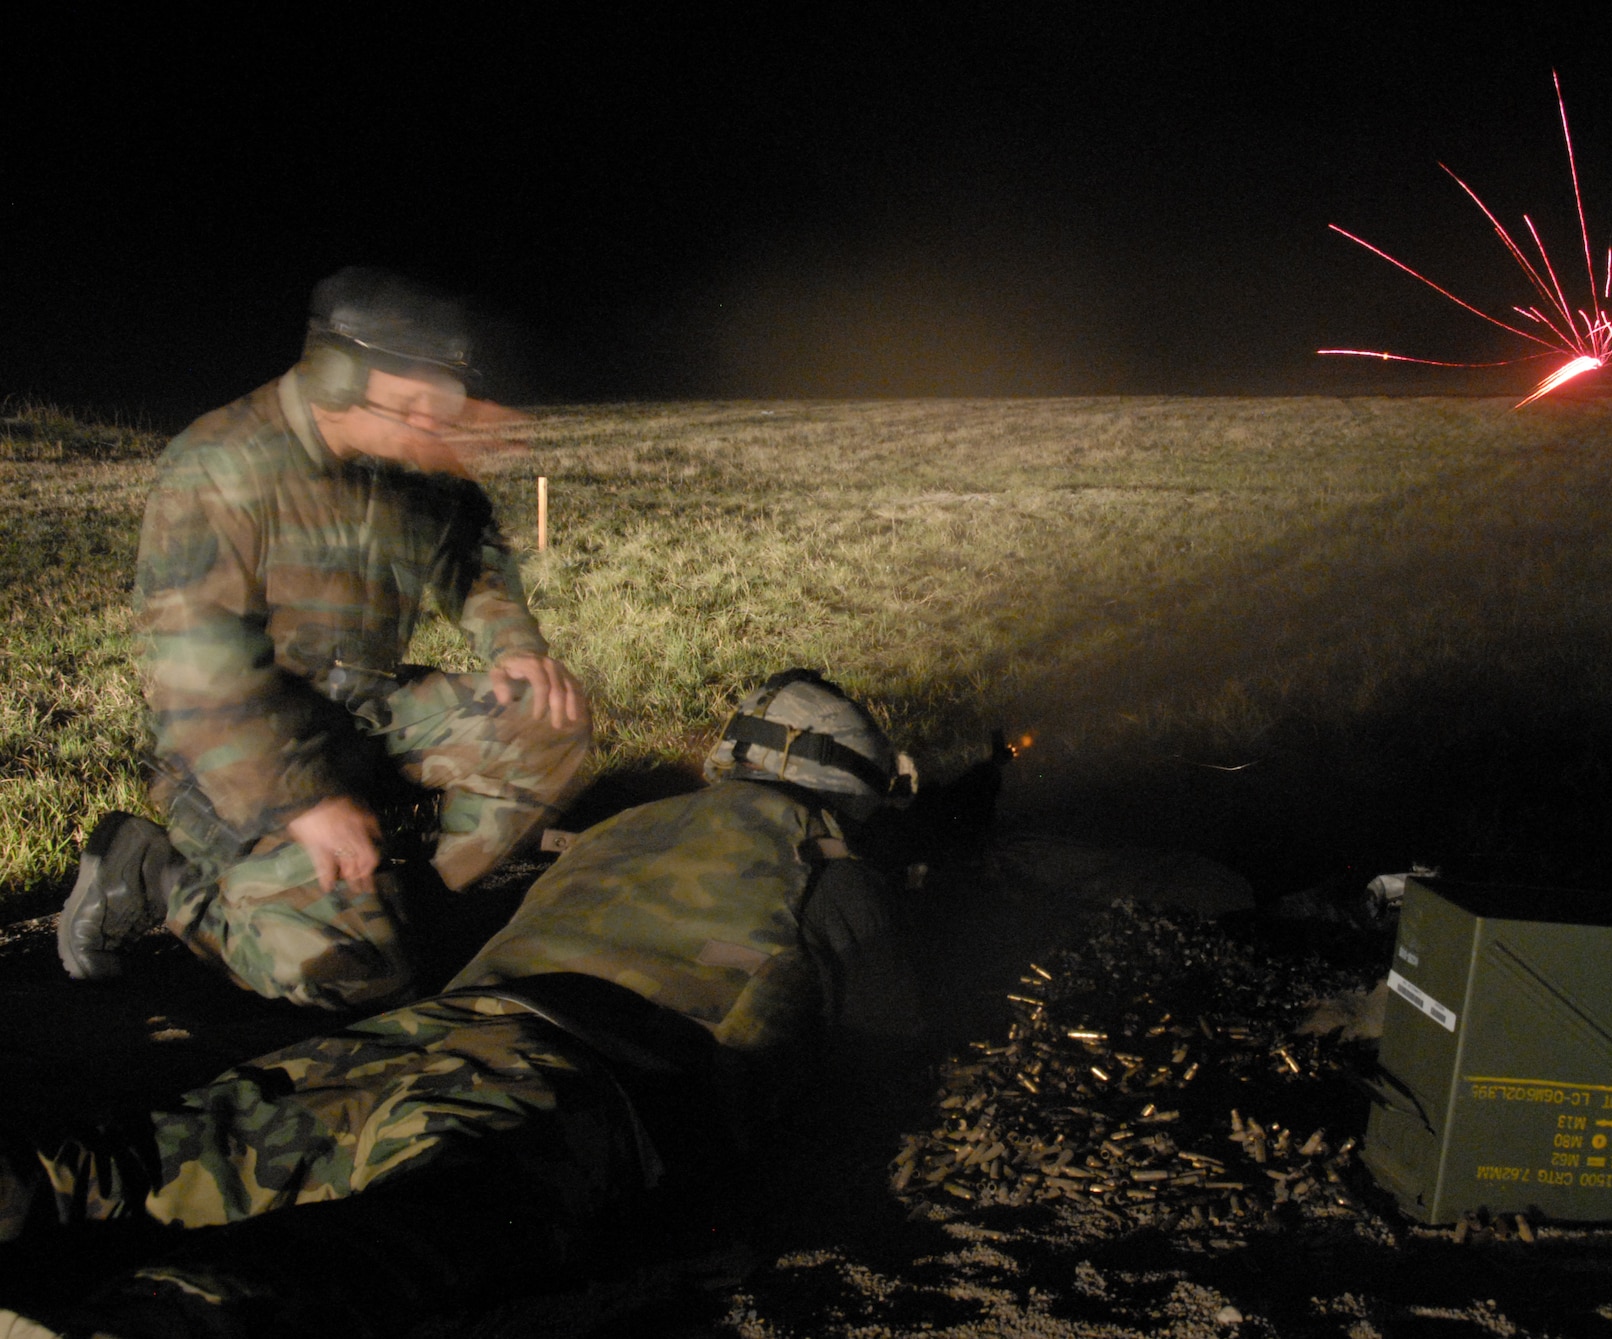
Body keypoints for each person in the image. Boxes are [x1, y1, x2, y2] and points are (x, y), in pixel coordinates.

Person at [2, 670, 938, 1339]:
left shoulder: (626, 822)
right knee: (406, 1234)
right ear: (850, 788)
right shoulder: (831, 871)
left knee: (167, 1148)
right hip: (574, 1077)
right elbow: (886, 1055)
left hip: (422, 1032)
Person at [58, 267, 592, 1010]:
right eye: (413, 409)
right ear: (337, 379)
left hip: (363, 710)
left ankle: (406, 901)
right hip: (239, 749)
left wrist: (513, 645)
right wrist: (303, 802)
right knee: (359, 973)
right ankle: (154, 874)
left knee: (548, 720)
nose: (432, 433)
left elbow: (472, 555)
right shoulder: (221, 465)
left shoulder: (402, 462)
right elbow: (199, 686)